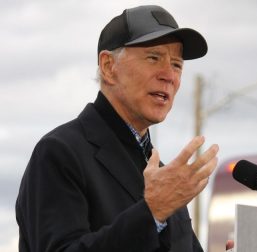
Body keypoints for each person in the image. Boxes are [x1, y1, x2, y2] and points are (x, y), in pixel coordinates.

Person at [16, 5, 231, 252]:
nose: (168, 75)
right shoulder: (59, 152)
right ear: (108, 67)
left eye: (177, 65)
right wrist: (152, 212)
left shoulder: (166, 180)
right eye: (153, 57)